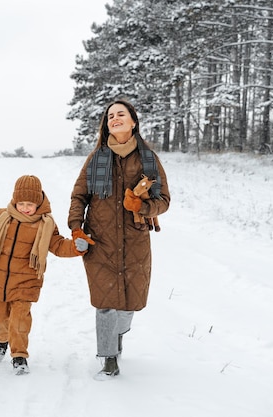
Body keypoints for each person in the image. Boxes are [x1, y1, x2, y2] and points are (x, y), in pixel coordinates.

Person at [68, 98, 170, 380]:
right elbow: (79, 196)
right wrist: (77, 228)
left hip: (135, 242)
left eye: (121, 114)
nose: (114, 118)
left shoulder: (148, 159)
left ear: (133, 121)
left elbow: (164, 200)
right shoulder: (96, 158)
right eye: (110, 115)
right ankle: (109, 359)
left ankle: (119, 334)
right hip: (99, 241)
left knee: (129, 305)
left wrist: (142, 207)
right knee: (105, 303)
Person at [0, 175, 93, 375]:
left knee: (19, 320)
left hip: (26, 282)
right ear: (14, 201)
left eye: (30, 204)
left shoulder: (45, 224)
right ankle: (1, 340)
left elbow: (58, 245)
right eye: (21, 203)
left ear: (39, 203)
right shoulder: (3, 216)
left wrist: (76, 247)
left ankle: (19, 356)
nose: (25, 208)